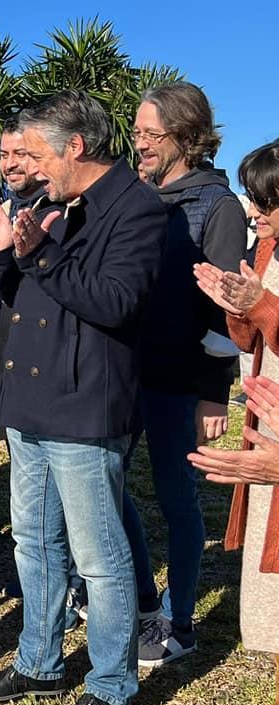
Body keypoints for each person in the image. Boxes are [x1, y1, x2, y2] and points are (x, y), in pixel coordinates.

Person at [0, 90, 166, 705]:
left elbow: (114, 302)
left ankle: (111, 686)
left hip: (83, 408)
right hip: (31, 403)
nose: (31, 166)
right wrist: (4, 254)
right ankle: (39, 663)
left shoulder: (138, 210)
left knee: (99, 557)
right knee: (34, 543)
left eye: (39, 152)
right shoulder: (51, 203)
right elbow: (34, 293)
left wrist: (35, 252)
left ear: (76, 146)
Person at [122, 81, 248, 667]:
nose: (140, 143)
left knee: (178, 500)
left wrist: (211, 392)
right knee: (106, 487)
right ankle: (145, 602)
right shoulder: (137, 196)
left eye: (151, 133)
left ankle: (181, 620)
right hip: (123, 375)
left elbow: (225, 311)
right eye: (138, 132)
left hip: (180, 384)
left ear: (187, 137)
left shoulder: (217, 207)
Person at [192, 139, 279, 705]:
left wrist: (264, 307)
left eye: (266, 199)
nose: (254, 211)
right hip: (269, 414)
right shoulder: (268, 249)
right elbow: (251, 340)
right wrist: (238, 305)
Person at [0, 115, 47, 443]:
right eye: (4, 155)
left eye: (20, 154)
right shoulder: (2, 208)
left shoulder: (56, 211)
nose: (10, 164)